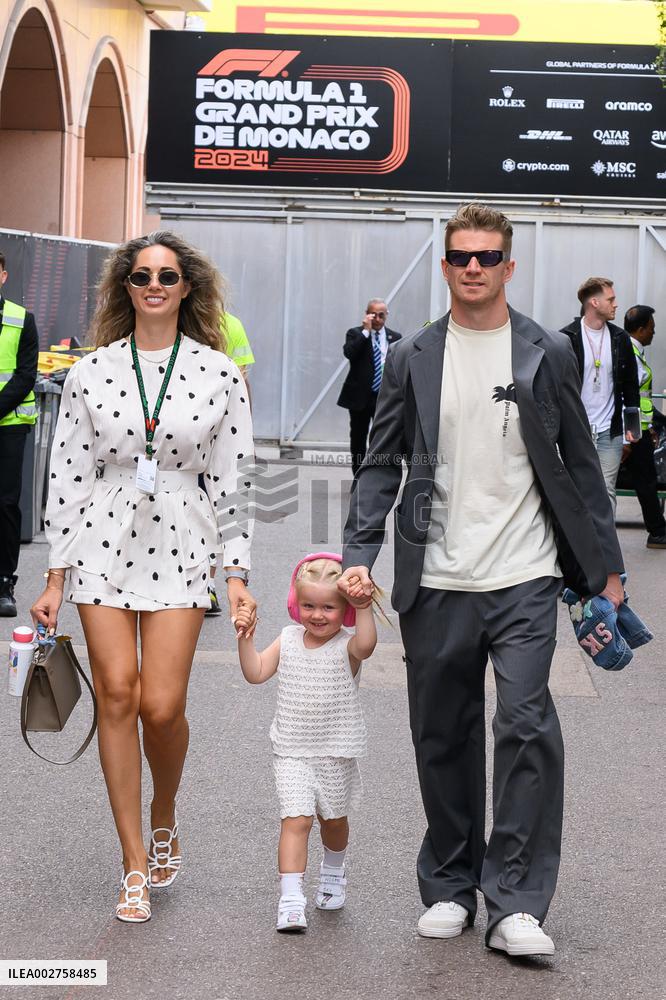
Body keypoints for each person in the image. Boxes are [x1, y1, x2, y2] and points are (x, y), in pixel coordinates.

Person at [339, 203, 625, 958]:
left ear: (508, 265)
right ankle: (449, 886)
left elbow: (581, 468)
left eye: (487, 257)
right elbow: (381, 462)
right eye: (461, 256)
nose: (473, 268)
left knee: (526, 724)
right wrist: (357, 554)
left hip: (526, 572)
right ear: (445, 267)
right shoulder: (412, 357)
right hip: (434, 575)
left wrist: (608, 570)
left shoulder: (545, 352)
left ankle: (517, 904)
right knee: (443, 733)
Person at [30, 231, 257, 924]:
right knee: (119, 698)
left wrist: (238, 573)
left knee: (162, 705)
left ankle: (165, 812)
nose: (153, 284)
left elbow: (237, 478)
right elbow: (68, 473)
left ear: (187, 286)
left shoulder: (219, 373)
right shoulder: (92, 371)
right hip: (102, 537)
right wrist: (54, 576)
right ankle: (133, 861)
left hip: (185, 539)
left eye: (165, 274)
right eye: (140, 275)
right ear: (124, 289)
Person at [236, 553, 377, 932]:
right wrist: (246, 640)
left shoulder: (347, 646)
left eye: (329, 607)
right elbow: (256, 672)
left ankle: (333, 871)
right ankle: (291, 898)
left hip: (335, 752)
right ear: (294, 604)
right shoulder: (287, 639)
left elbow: (367, 645)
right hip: (292, 751)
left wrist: (364, 607)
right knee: (295, 820)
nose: (317, 615)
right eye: (308, 605)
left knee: (332, 821)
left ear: (343, 609)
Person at [560, 277, 640, 514]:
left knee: (606, 491)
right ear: (594, 302)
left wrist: (631, 430)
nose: (616, 304)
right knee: (576, 490)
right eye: (611, 299)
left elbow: (630, 387)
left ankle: (605, 549)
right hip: (576, 430)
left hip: (609, 431)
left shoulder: (620, 338)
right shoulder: (567, 337)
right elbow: (558, 388)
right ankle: (578, 548)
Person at [206, 311, 255, 616]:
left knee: (210, 510)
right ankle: (205, 585)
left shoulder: (231, 324)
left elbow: (240, 379)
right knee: (211, 509)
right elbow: (242, 379)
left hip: (212, 432)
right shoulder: (233, 322)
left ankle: (205, 583)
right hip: (216, 429)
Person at [0, 251, 39, 616]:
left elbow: (26, 374)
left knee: (6, 504)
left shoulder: (21, 319)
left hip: (10, 425)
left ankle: (4, 583)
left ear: (4, 276)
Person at [337, 299, 402, 475]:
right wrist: (366, 331)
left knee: (382, 437)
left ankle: (376, 476)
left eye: (382, 315)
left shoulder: (395, 337)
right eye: (374, 314)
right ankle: (358, 475)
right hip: (360, 396)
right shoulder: (355, 334)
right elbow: (350, 353)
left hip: (384, 395)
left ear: (386, 315)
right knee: (358, 438)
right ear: (367, 314)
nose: (378, 319)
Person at [620, 305, 666, 548]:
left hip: (638, 429)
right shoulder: (630, 353)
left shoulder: (633, 351)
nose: (653, 333)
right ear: (639, 329)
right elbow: (628, 398)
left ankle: (658, 530)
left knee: (645, 480)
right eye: (651, 329)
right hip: (633, 432)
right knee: (646, 481)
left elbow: (641, 399)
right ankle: (658, 532)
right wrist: (630, 436)